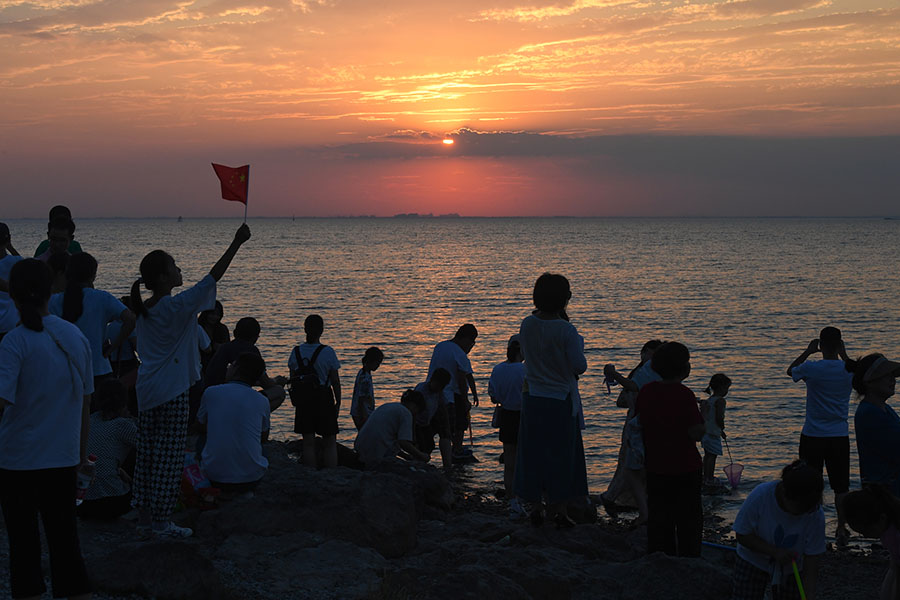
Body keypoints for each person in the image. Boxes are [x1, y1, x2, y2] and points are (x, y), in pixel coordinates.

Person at [130, 223, 251, 538]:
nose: (179, 270)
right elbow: (213, 277)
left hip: (146, 390)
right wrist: (236, 242)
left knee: (147, 455)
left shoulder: (145, 310)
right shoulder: (176, 306)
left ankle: (144, 516)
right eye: (173, 268)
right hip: (171, 392)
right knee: (169, 458)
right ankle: (161, 523)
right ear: (162, 278)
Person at [0, 259, 93, 599]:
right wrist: (81, 455)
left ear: (12, 294)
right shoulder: (75, 336)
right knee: (65, 544)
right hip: (62, 460)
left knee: (23, 549)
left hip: (17, 462)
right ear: (52, 287)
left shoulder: (14, 342)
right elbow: (84, 403)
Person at [515, 273, 587, 529]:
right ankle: (557, 510)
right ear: (563, 299)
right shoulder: (566, 330)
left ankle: (535, 506)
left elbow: (524, 354)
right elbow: (580, 366)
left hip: (532, 396)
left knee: (534, 454)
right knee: (561, 456)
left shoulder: (527, 324)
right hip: (559, 399)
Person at [635, 341, 705, 556]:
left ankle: (659, 557)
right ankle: (689, 558)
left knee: (659, 516)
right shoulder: (684, 395)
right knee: (689, 519)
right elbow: (695, 433)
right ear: (684, 369)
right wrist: (706, 418)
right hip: (685, 467)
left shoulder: (646, 391)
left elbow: (642, 421)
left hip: (655, 465)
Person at [787, 326, 854, 543]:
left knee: (809, 482)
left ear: (821, 345)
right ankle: (842, 529)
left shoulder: (812, 368)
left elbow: (791, 371)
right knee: (841, 486)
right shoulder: (848, 370)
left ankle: (810, 526)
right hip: (838, 436)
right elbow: (860, 371)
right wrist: (844, 355)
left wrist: (807, 351)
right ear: (840, 345)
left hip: (813, 435)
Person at [732, 460, 825, 600]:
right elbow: (742, 534)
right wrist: (774, 552)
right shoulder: (761, 496)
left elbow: (812, 559)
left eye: (807, 509)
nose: (803, 513)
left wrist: (809, 594)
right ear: (784, 493)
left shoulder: (814, 513)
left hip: (792, 566)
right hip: (752, 559)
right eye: (800, 509)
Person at [49, 252, 136, 395]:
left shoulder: (55, 300)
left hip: (65, 370)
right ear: (93, 275)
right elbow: (131, 320)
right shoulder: (102, 298)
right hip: (99, 369)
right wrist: (112, 348)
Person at [600, 339, 663, 524]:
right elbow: (623, 398)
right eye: (650, 353)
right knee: (632, 465)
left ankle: (627, 502)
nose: (651, 357)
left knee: (637, 466)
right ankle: (614, 499)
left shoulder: (649, 371)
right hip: (637, 423)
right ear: (643, 353)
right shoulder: (642, 373)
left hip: (642, 422)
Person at [197, 353, 271, 494]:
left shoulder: (211, 393)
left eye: (231, 365)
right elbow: (263, 436)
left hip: (214, 477)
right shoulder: (262, 400)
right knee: (264, 449)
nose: (228, 367)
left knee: (201, 439)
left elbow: (201, 424)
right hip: (251, 478)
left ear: (236, 369)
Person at [79, 379, 137, 520]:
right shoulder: (123, 425)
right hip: (109, 502)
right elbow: (149, 447)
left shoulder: (90, 420)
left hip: (82, 503)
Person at [288, 314, 341, 468]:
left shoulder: (296, 351)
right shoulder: (328, 352)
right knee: (330, 441)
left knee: (308, 442)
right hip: (324, 398)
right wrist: (338, 401)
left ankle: (310, 473)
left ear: (305, 329)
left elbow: (293, 379)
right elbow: (335, 380)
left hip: (303, 400)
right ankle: (331, 473)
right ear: (322, 331)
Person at [204, 317, 288, 413]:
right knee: (279, 392)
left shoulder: (223, 348)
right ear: (255, 337)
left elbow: (236, 378)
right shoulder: (251, 351)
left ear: (235, 333)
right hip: (234, 398)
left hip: (214, 395)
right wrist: (277, 381)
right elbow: (267, 384)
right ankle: (254, 415)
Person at [849, 353, 900, 496]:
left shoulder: (883, 409)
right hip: (885, 495)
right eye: (886, 375)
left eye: (892, 375)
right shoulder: (870, 414)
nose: (893, 380)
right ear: (870, 382)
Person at [427, 324, 480, 457]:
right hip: (451, 394)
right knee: (458, 425)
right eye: (471, 343)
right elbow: (462, 378)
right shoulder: (459, 353)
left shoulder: (440, 346)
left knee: (433, 425)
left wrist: (474, 393)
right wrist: (466, 399)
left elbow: (469, 375)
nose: (471, 347)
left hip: (431, 391)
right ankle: (456, 450)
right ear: (466, 339)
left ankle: (425, 451)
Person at [488, 335, 526, 519]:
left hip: (506, 416)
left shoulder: (498, 369)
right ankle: (524, 497)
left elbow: (494, 396)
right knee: (524, 460)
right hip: (524, 417)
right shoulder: (526, 370)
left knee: (509, 462)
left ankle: (512, 500)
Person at [843, 485, 900, 600]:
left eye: (866, 531)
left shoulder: (896, 534)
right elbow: (894, 565)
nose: (865, 535)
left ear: (881, 518)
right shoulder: (887, 527)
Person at [354, 389, 430, 467]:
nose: (415, 415)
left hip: (360, 449)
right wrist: (421, 455)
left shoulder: (388, 406)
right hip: (374, 456)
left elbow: (387, 440)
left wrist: (406, 456)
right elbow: (404, 443)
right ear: (414, 406)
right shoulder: (406, 413)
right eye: (417, 411)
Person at [413, 368, 453, 470]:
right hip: (417, 423)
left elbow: (442, 407)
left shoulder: (439, 392)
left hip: (428, 421)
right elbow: (413, 412)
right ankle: (418, 464)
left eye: (442, 386)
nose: (440, 388)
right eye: (439, 385)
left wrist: (447, 427)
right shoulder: (421, 390)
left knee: (429, 445)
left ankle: (446, 466)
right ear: (432, 380)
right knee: (421, 445)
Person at [701, 373, 732, 487]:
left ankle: (706, 477)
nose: (727, 391)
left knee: (707, 455)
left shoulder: (710, 399)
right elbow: (719, 417)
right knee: (712, 456)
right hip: (713, 433)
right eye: (727, 388)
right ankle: (709, 478)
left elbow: (710, 419)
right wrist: (722, 427)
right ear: (722, 388)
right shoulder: (720, 401)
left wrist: (721, 432)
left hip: (705, 432)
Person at [350, 346, 384, 431]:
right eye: (377, 363)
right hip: (362, 413)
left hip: (361, 412)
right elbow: (362, 399)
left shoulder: (363, 372)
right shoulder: (365, 378)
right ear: (371, 361)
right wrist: (364, 416)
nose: (378, 366)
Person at [0, 223, 24, 339]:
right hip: (11, 323)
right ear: (8, 239)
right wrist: (10, 247)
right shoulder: (16, 262)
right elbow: (26, 266)